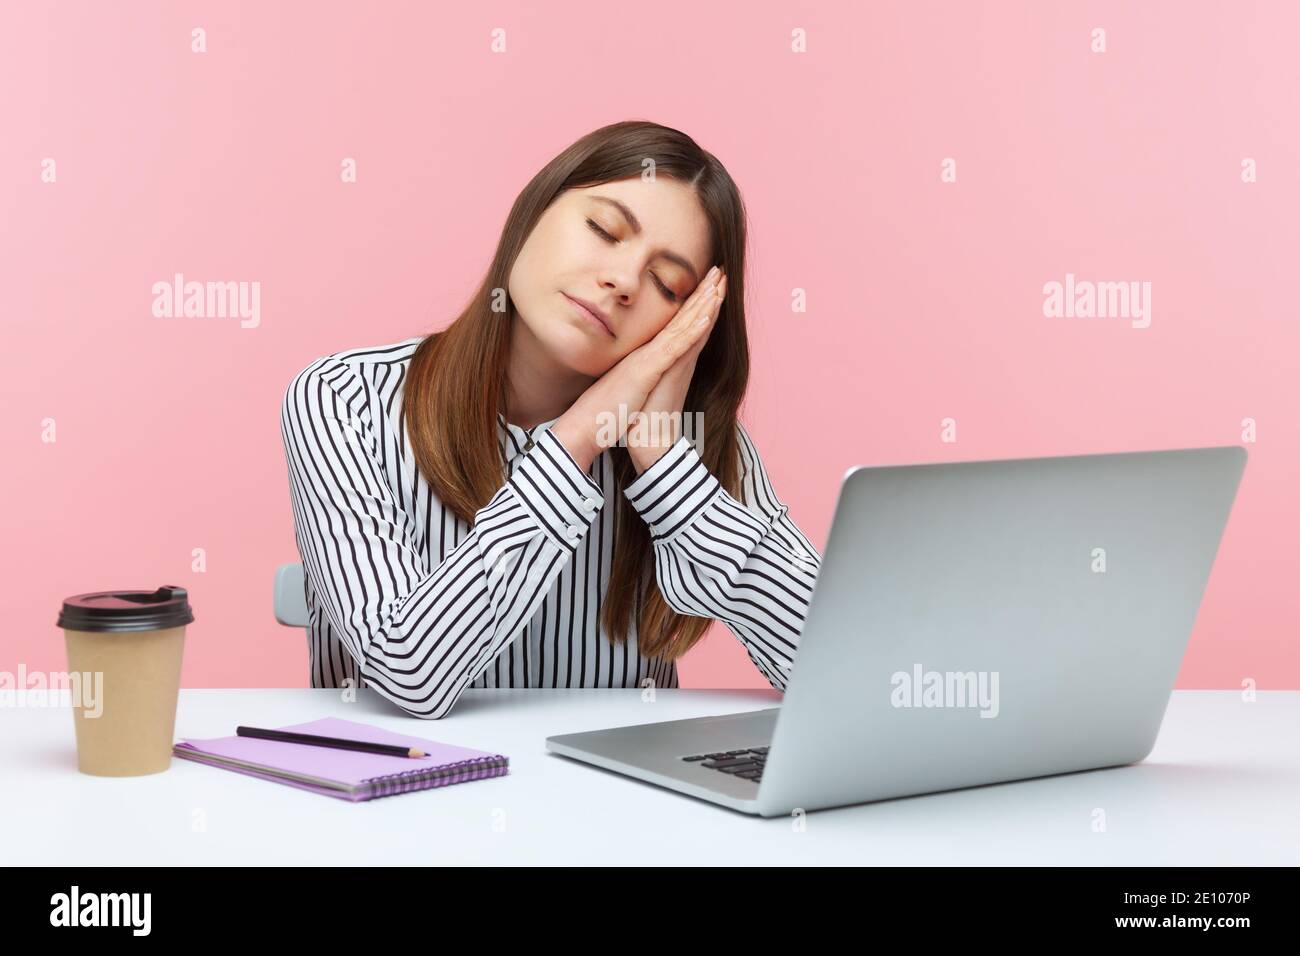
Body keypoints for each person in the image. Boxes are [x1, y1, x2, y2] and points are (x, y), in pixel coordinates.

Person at [280, 120, 822, 719]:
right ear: (533, 213)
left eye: (666, 284)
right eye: (603, 229)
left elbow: (841, 671)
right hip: (404, 796)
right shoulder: (346, 399)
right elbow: (410, 671)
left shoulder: (693, 443)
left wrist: (667, 468)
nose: (621, 281)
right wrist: (578, 437)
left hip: (621, 804)